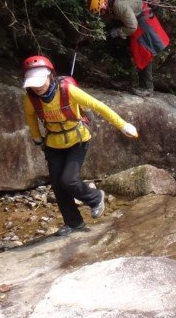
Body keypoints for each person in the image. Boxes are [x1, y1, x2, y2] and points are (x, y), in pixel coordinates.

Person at [22, 55, 139, 236]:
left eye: (40, 81)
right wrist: (36, 137)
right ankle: (74, 223)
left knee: (68, 180)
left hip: (78, 140)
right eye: (33, 83)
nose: (37, 87)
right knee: (58, 185)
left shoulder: (67, 90)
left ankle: (95, 197)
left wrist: (122, 125)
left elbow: (98, 106)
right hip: (53, 143)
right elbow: (30, 117)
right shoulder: (30, 99)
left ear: (50, 76)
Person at [88, 0, 169, 96]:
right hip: (137, 21)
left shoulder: (118, 5)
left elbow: (132, 26)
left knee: (144, 54)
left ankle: (147, 88)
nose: (101, 13)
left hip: (143, 25)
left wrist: (118, 31)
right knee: (122, 47)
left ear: (103, 3)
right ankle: (126, 78)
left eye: (101, 10)